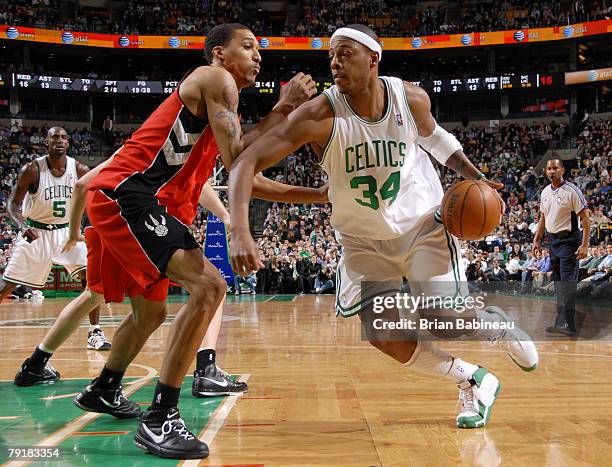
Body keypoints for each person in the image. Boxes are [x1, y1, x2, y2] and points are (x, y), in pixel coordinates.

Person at [228, 24, 538, 430]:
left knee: (444, 319)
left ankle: (494, 324)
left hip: (421, 225)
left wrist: (474, 175)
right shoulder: (319, 114)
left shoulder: (409, 98)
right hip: (363, 242)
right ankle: (471, 379)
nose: (335, 62)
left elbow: (437, 140)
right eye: (331, 56)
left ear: (373, 58)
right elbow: (244, 163)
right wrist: (239, 228)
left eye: (345, 53)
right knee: (385, 336)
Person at [64, 23, 325, 460]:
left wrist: (316, 196)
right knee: (210, 287)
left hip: (124, 200)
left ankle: (104, 387)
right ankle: (160, 417)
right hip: (128, 195)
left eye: (260, 49)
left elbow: (248, 174)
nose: (257, 55)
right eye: (248, 46)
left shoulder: (213, 118)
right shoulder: (216, 80)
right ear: (219, 54)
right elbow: (240, 157)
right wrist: (285, 112)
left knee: (151, 313)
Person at [4, 127, 111, 388]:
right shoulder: (32, 170)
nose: (59, 141)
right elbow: (12, 204)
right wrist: (21, 225)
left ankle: (94, 333)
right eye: (54, 137)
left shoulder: (81, 170)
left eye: (63, 137)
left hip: (66, 234)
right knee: (7, 285)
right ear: (46, 142)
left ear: (68, 142)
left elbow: (95, 198)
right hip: (36, 232)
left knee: (92, 279)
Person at [533, 159, 590, 336]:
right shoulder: (544, 192)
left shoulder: (572, 191)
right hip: (553, 242)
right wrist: (536, 239)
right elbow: (543, 218)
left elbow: (586, 219)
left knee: (567, 284)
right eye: (549, 168)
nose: (551, 171)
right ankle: (561, 323)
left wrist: (584, 245)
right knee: (558, 284)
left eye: (555, 168)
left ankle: (569, 325)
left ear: (562, 170)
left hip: (569, 241)